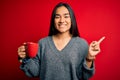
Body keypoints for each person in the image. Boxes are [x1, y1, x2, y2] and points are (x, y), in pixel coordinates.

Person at [17, 2, 105, 80]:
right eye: (57, 17)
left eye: (66, 16)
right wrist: (24, 58)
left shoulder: (82, 44)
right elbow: (34, 72)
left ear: (72, 19)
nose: (62, 20)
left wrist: (89, 58)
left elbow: (85, 76)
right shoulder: (42, 43)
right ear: (53, 20)